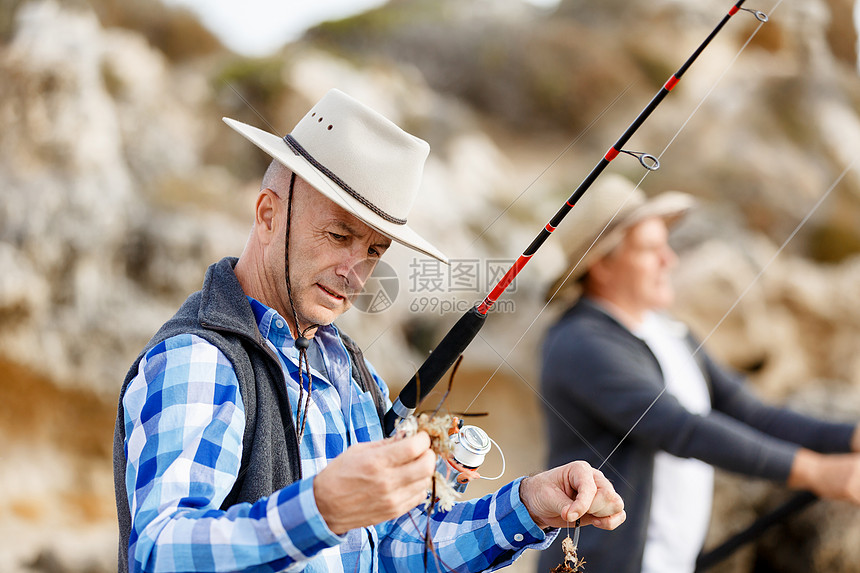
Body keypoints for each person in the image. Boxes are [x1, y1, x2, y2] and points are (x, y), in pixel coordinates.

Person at [113, 88, 625, 573]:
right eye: (339, 235)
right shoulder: (200, 359)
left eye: (375, 250)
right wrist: (322, 509)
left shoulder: (350, 372)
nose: (355, 269)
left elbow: (399, 548)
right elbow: (162, 551)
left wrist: (531, 504)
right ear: (268, 213)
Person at [535, 174, 860, 573]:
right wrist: (817, 472)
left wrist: (849, 438)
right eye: (651, 249)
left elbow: (754, 414)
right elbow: (680, 428)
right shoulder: (580, 342)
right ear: (602, 265)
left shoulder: (670, 332)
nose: (668, 260)